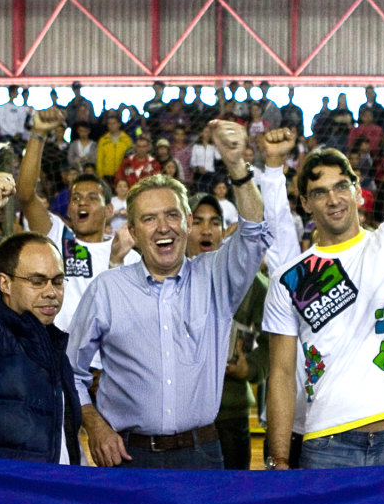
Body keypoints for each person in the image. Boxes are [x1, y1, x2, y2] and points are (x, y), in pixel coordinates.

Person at [264, 38, 384, 469]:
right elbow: (281, 375)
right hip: (327, 446)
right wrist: (278, 459)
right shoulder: (291, 277)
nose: (333, 199)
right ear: (305, 203)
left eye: (341, 186)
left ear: (358, 190)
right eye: (319, 192)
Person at [67, 121, 270, 470]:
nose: (163, 227)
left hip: (201, 456)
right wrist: (95, 424)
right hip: (128, 458)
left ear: (187, 222)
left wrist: (237, 166)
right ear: (132, 231)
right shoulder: (106, 290)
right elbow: (71, 370)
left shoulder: (217, 278)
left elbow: (254, 232)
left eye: (172, 215)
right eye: (149, 219)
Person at [0, 171, 82, 464]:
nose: (51, 292)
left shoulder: (55, 347)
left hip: (52, 491)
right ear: (5, 284)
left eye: (58, 281)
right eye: (37, 281)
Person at [16, 107, 137, 332]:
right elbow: (25, 195)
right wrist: (38, 133)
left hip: (105, 353)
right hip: (58, 351)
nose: (82, 203)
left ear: (109, 210)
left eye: (92, 198)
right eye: (76, 198)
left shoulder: (127, 255)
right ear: (69, 210)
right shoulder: (57, 236)